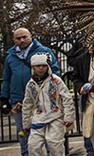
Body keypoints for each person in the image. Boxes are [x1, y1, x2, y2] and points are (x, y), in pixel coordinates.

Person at [0, 28, 60, 156]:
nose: (22, 40)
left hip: (43, 101)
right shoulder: (10, 56)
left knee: (49, 135)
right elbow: (7, 78)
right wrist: (4, 98)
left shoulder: (44, 51)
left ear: (31, 36)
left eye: (24, 37)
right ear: (13, 40)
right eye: (18, 38)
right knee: (24, 136)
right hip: (19, 102)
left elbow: (54, 73)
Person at [21, 53, 74, 156]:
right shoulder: (30, 84)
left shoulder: (56, 81)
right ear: (33, 67)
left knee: (55, 146)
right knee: (33, 146)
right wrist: (26, 123)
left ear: (48, 66)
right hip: (38, 119)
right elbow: (27, 104)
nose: (41, 68)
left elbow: (67, 98)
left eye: (44, 65)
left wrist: (69, 117)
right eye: (38, 66)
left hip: (55, 117)